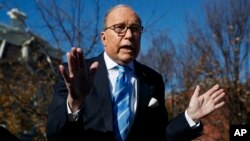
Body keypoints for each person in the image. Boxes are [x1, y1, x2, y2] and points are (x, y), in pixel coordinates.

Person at [46, 4, 225, 141]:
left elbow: (159, 136)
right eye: (120, 28)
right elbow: (54, 133)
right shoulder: (77, 74)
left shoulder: (153, 80)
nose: (130, 35)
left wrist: (189, 117)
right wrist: (74, 103)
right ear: (104, 38)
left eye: (135, 29)